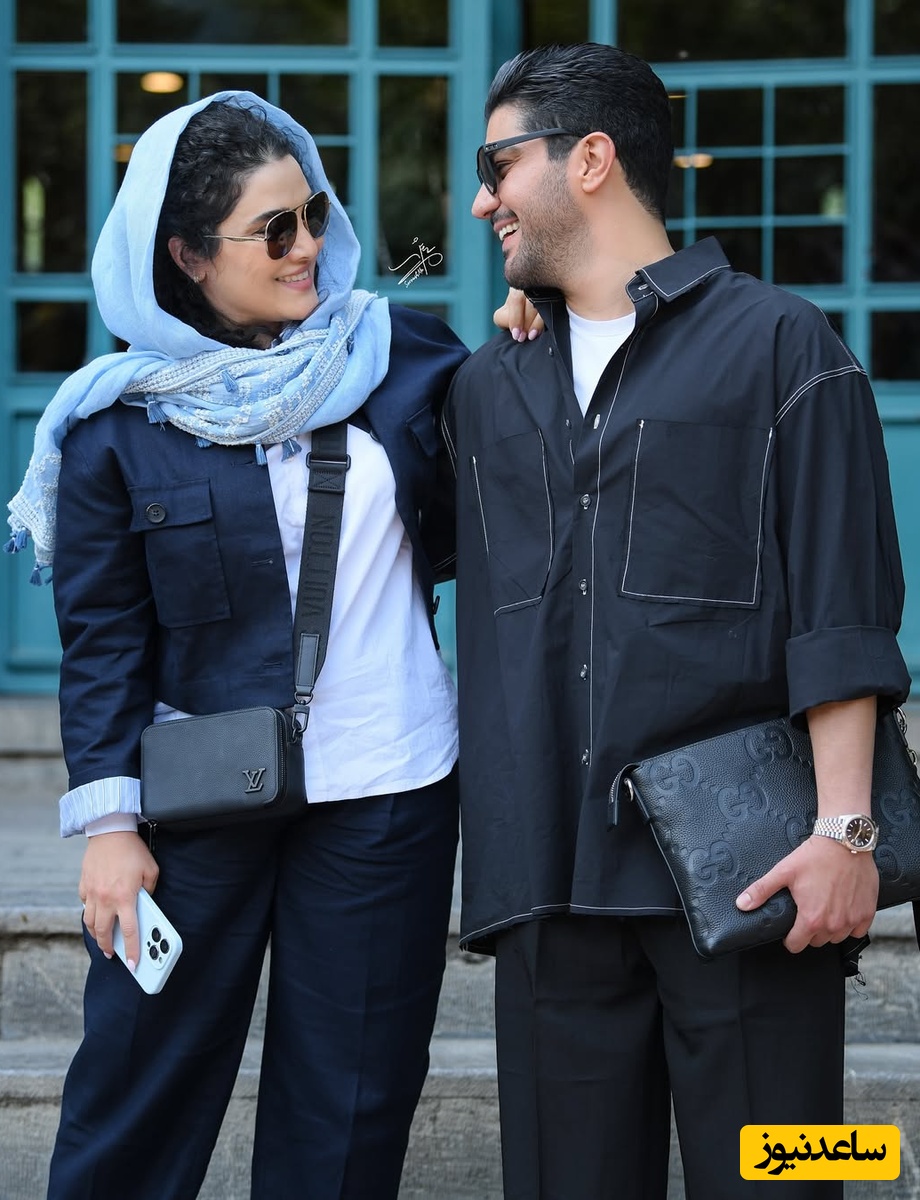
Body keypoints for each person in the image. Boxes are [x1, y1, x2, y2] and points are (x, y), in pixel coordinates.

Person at [441, 43, 912, 1200]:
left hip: (754, 882)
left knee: (785, 1179)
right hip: (548, 882)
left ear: (590, 159)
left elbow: (844, 601)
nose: (481, 200)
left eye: (500, 166)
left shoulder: (785, 346)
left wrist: (847, 834)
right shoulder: (487, 386)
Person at [6, 91, 470, 1200]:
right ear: (186, 255)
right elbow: (104, 642)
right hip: (199, 798)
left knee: (350, 1107)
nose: (308, 246)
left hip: (388, 787)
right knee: (138, 1087)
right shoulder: (118, 424)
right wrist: (110, 826)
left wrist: (535, 330)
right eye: (273, 230)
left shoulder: (404, 356)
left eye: (313, 214)